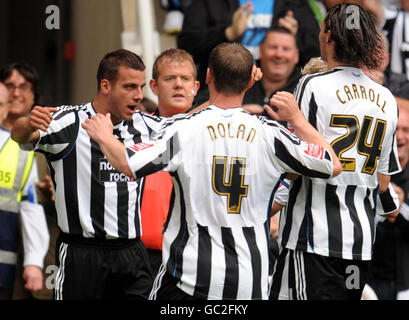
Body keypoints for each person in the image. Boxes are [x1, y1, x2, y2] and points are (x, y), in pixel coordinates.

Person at [81, 42, 342, 300]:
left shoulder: (183, 129)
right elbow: (333, 164)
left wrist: (104, 136)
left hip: (189, 278)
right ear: (249, 82)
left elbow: (127, 163)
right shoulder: (271, 134)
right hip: (249, 280)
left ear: (207, 77)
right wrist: (297, 119)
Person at [270, 3, 401, 300]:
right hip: (360, 244)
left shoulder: (312, 85)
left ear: (328, 36)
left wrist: (267, 208)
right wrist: (391, 206)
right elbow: (383, 180)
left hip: (314, 239)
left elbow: (299, 158)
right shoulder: (386, 98)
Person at [10, 49, 155, 300]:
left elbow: (189, 125)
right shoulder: (69, 121)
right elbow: (20, 136)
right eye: (130, 86)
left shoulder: (147, 125)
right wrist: (28, 121)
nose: (139, 95)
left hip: (131, 252)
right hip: (82, 254)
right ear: (106, 85)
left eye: (141, 86)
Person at [178, 0, 321, 107]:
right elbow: (186, 47)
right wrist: (228, 33)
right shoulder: (210, 2)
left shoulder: (294, 3)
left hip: (281, 87)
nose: (279, 54)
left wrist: (298, 37)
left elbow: (319, 53)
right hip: (221, 89)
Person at [140, 48, 199, 276]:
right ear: (154, 86)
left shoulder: (210, 132)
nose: (178, 85)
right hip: (143, 255)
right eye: (170, 78)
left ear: (196, 87)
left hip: (192, 254)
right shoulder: (135, 130)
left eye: (185, 79)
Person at [0, 63, 50, 300]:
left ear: (34, 94)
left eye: (24, 87)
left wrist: (54, 191)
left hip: (41, 245)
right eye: (10, 86)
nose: (16, 93)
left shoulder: (52, 136)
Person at [367, 94, 409, 300]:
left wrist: (398, 205)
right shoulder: (368, 166)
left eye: (406, 130)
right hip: (364, 270)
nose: (400, 137)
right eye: (395, 131)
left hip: (401, 278)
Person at [243, 26, 301, 108]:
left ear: (296, 56)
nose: (279, 54)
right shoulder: (241, 82)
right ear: (260, 50)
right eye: (273, 47)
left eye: (286, 49)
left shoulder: (305, 90)